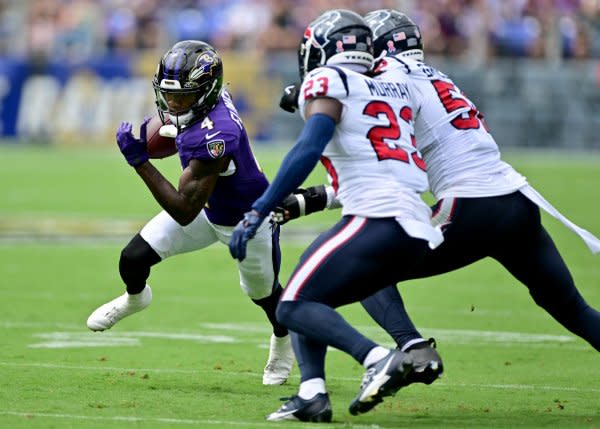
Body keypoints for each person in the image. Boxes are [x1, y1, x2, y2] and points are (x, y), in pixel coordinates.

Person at [275, 9, 600, 363]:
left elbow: (383, 165)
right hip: (515, 201)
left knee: (372, 260)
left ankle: (412, 349)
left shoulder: (389, 80)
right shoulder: (437, 78)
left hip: (471, 206)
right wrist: (315, 200)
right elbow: (400, 166)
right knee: (572, 308)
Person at [229, 9, 445, 422]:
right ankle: (313, 393)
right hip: (415, 222)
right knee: (311, 293)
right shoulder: (391, 84)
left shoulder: (328, 80)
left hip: (376, 215)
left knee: (291, 305)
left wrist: (259, 208)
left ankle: (380, 358)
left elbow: (309, 149)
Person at [86, 40, 294, 386]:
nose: (173, 103)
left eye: (182, 97)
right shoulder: (201, 102)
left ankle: (283, 341)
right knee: (133, 258)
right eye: (169, 95)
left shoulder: (218, 134)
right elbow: (175, 133)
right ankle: (135, 299)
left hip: (246, 219)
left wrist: (139, 162)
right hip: (207, 207)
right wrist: (154, 137)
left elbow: (184, 210)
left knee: (264, 294)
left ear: (206, 92)